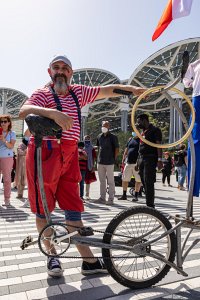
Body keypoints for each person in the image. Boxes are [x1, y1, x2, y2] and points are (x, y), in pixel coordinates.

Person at [19, 54, 146, 278]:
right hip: (44, 153)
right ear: (50, 72)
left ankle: (88, 261)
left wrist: (131, 89)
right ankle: (52, 256)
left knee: (73, 209)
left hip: (69, 155)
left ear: (71, 73)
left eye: (65, 68)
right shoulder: (42, 93)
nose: (60, 71)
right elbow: (23, 110)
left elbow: (107, 90)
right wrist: (52, 113)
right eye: (56, 68)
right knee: (43, 211)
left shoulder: (78, 92)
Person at [136, 114, 162, 208]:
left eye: (139, 122)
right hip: (142, 158)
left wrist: (159, 160)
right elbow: (140, 147)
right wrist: (137, 161)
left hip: (150, 158)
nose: (138, 124)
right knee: (143, 180)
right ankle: (148, 201)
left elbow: (159, 145)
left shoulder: (155, 130)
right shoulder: (142, 132)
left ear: (144, 120)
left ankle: (150, 205)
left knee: (149, 181)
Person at [183, 59, 200, 196]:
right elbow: (186, 80)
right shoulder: (195, 65)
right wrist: (191, 83)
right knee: (195, 141)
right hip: (198, 97)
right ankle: (194, 186)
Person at [95, 121, 119, 205]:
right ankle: (102, 198)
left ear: (109, 127)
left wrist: (114, 159)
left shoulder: (113, 137)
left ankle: (111, 199)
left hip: (109, 162)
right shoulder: (99, 136)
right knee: (102, 181)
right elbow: (98, 148)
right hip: (100, 162)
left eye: (105, 126)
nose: (103, 127)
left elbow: (117, 149)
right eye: (102, 126)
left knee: (111, 181)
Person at [118, 131, 142, 202]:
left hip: (137, 163)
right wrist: (123, 159)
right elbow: (126, 150)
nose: (134, 132)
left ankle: (136, 196)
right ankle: (124, 195)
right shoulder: (130, 139)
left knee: (138, 180)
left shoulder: (141, 140)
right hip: (128, 163)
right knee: (125, 179)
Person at [0, 115, 16, 206]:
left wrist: (4, 139)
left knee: (6, 179)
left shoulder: (12, 133)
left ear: (9, 122)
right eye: (1, 121)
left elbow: (11, 146)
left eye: (5, 121)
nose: (3, 123)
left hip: (7, 158)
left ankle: (7, 199)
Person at [15, 129, 31, 207]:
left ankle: (30, 198)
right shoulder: (22, 143)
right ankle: (20, 194)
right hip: (22, 164)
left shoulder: (32, 142)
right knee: (21, 179)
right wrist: (25, 152)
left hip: (30, 164)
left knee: (29, 181)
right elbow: (19, 150)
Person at [83, 135, 97, 200]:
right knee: (80, 181)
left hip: (89, 165)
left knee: (88, 181)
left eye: (88, 138)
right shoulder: (81, 147)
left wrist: (93, 166)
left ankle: (87, 194)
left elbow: (94, 158)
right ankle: (80, 195)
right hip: (81, 165)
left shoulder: (92, 148)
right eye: (86, 138)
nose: (87, 140)